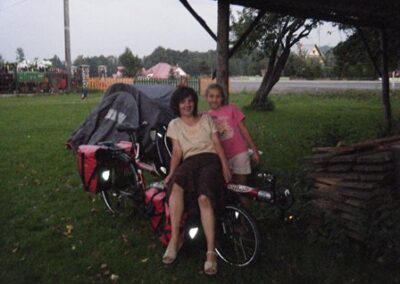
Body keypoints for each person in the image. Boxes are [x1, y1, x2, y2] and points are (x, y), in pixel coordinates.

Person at [163, 86, 231, 275]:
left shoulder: (206, 119)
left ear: (194, 102)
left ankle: (210, 252)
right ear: (178, 105)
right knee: (176, 185)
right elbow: (177, 152)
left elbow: (217, 143)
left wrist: (225, 165)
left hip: (210, 160)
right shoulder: (174, 124)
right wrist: (170, 173)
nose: (187, 104)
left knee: (204, 197)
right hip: (189, 161)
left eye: (190, 100)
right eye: (183, 101)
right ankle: (175, 239)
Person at [206, 83, 260, 205]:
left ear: (222, 98)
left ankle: (246, 216)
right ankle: (234, 213)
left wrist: (254, 150)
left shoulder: (232, 109)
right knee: (228, 187)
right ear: (207, 97)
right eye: (211, 96)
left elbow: (244, 130)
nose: (214, 99)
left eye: (218, 96)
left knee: (242, 187)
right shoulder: (205, 116)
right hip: (222, 157)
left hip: (239, 152)